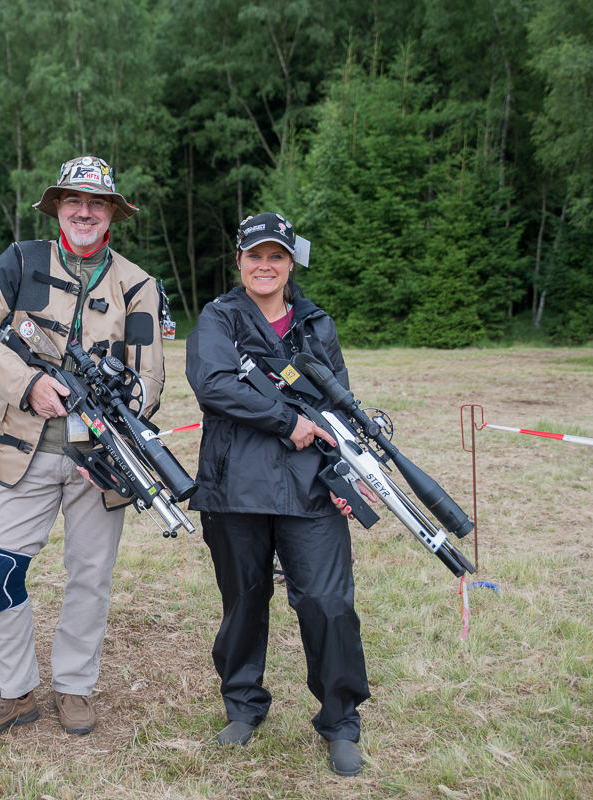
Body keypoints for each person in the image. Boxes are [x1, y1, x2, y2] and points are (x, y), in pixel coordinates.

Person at [0, 155, 164, 740]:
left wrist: (119, 430)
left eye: (97, 203)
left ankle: (74, 686)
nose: (85, 212)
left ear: (113, 214)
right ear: (58, 209)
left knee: (89, 576)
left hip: (101, 460)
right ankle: (14, 691)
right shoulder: (19, 261)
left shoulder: (138, 285)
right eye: (74, 201)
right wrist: (27, 383)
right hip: (26, 448)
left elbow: (150, 377)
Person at [185, 212, 377, 777]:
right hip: (235, 487)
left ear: (291, 262)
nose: (264, 266)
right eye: (254, 256)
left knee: (326, 603)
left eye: (276, 256)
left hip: (311, 486)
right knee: (243, 602)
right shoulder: (219, 317)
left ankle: (340, 722)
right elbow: (214, 385)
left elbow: (338, 403)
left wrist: (352, 472)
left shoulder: (317, 324)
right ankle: (243, 707)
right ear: (239, 261)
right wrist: (284, 420)